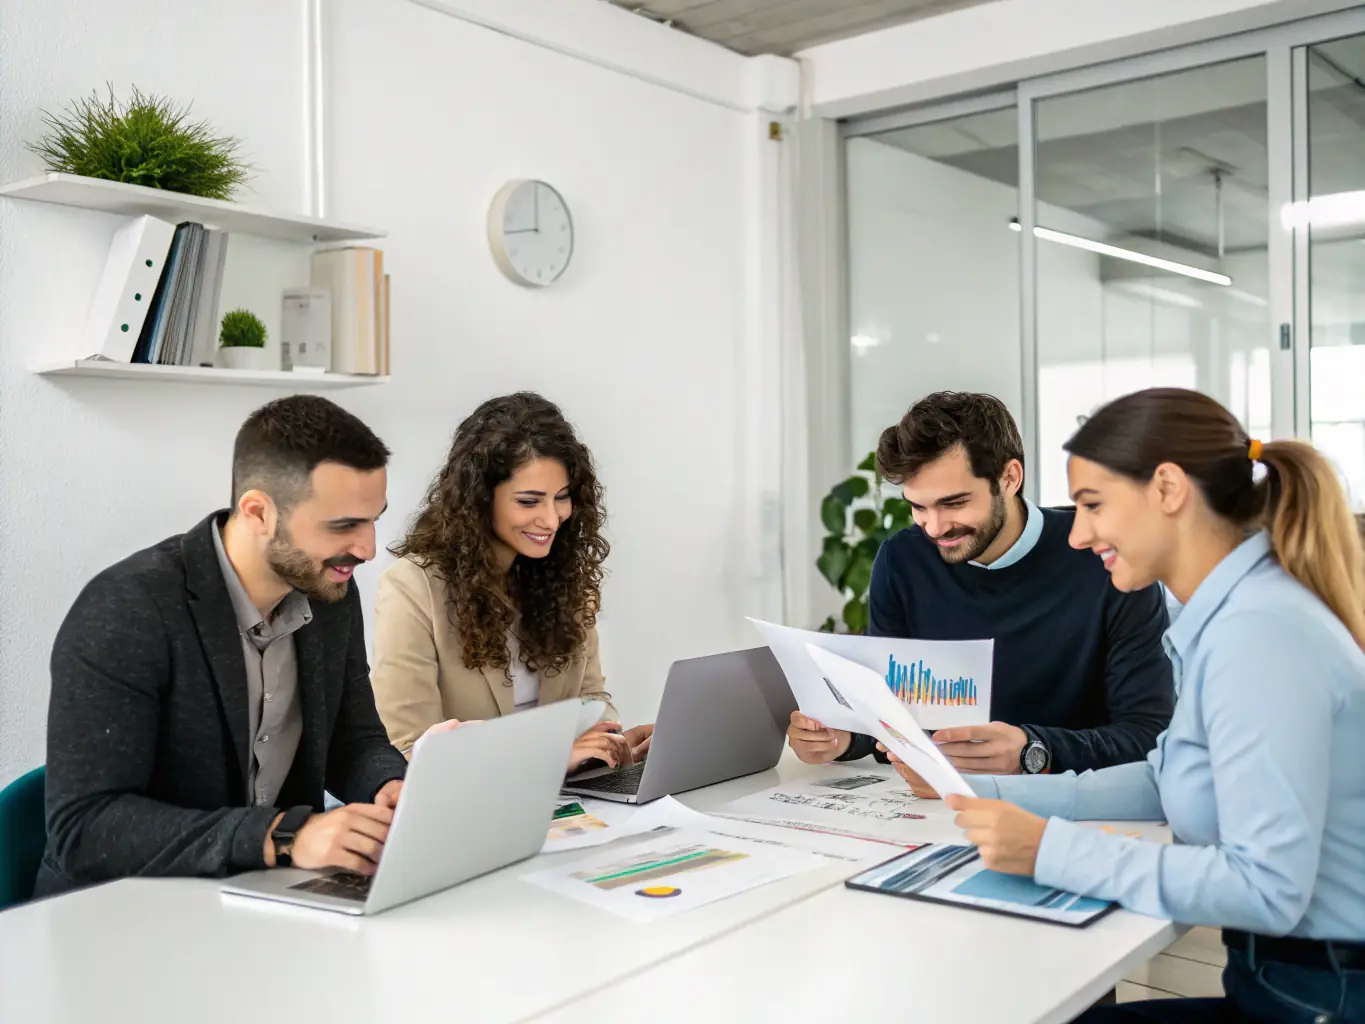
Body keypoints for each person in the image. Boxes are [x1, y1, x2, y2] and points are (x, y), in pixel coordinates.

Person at [910, 388, 1365, 1022]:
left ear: (1169, 490)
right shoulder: (1236, 613)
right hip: (1292, 982)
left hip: (1321, 996)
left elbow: (1269, 890)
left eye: (1094, 506)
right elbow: (1167, 777)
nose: (1080, 535)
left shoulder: (1260, 634)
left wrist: (1051, 851)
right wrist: (980, 790)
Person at [37, 396, 412, 898]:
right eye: (343, 525)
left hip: (263, 902)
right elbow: (85, 828)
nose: (367, 548)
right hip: (119, 915)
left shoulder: (329, 593)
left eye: (372, 519)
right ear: (258, 511)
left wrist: (392, 788)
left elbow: (354, 741)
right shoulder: (128, 609)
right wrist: (284, 836)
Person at [789, 391, 1174, 778]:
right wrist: (843, 737)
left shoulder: (1107, 561)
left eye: (954, 503)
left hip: (1069, 808)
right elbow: (891, 709)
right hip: (935, 805)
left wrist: (1033, 751)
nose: (935, 528)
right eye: (918, 506)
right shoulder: (901, 561)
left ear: (1009, 477)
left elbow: (1150, 735)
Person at [372, 392, 651, 772]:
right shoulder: (413, 587)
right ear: (481, 499)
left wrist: (613, 740)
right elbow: (407, 749)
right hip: (470, 808)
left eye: (562, 498)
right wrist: (549, 758)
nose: (552, 520)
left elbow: (591, 698)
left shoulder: (563, 576)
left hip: (569, 801)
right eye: (529, 501)